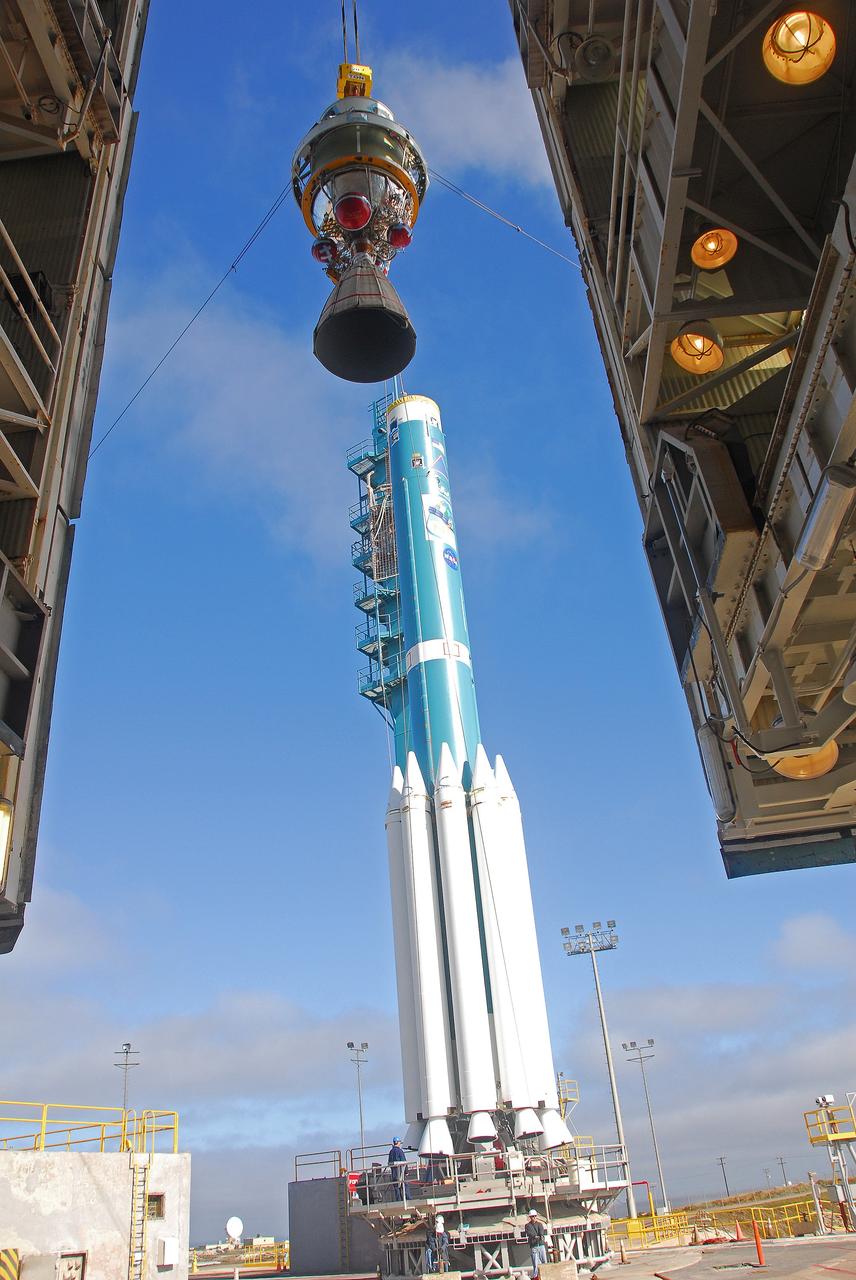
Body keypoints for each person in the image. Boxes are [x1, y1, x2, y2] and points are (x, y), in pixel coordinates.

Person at [525, 1209, 548, 1278]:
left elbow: (541, 1231)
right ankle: (536, 1277)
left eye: (535, 1216)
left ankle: (546, 1275)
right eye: (532, 1216)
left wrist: (540, 1236)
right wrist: (535, 1236)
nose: (534, 1217)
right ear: (530, 1217)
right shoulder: (527, 1225)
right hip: (534, 1246)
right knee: (535, 1263)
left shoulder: (540, 1224)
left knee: (544, 1261)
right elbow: (529, 1233)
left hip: (541, 1245)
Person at [388, 1136, 408, 1200]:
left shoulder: (391, 1152)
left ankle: (399, 1200)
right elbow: (404, 1162)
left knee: (396, 1187)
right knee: (404, 1186)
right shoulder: (400, 1151)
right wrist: (406, 1171)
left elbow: (389, 1162)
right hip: (401, 1172)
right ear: (398, 1142)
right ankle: (408, 1199)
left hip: (394, 1173)